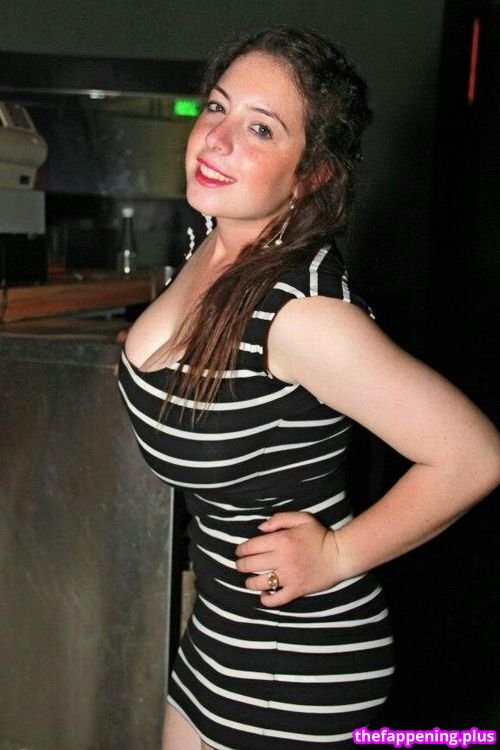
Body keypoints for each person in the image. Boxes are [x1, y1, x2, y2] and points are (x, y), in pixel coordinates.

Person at [118, 26, 500, 750]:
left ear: (311, 176)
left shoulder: (304, 317)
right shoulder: (214, 245)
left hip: (293, 665)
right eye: (217, 108)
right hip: (216, 638)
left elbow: (474, 456)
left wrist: (337, 555)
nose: (217, 139)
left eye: (260, 128)